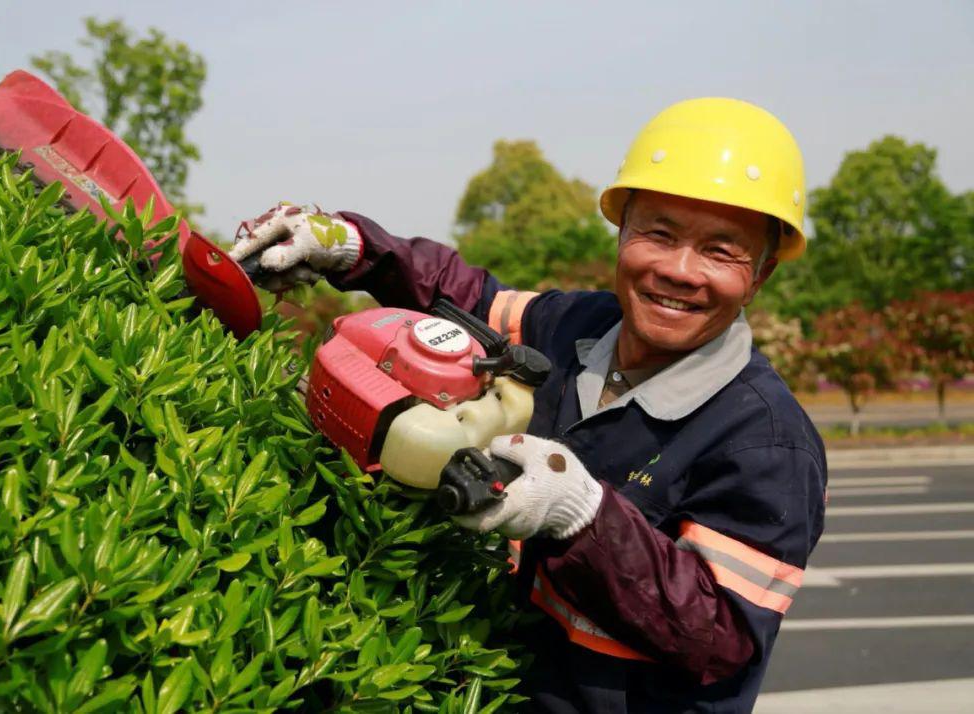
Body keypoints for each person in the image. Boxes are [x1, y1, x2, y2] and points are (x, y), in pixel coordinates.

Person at [229, 98, 827, 713]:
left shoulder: (764, 441)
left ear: (760, 276)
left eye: (720, 251)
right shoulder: (574, 326)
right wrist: (354, 247)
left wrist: (585, 517)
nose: (678, 270)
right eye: (659, 233)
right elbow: (467, 299)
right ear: (623, 234)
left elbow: (721, 636)